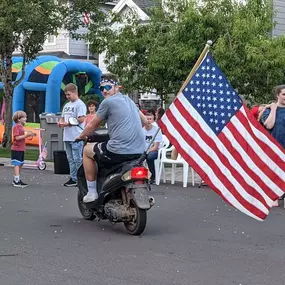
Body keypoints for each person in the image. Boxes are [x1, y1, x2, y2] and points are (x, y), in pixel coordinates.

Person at [75, 73, 147, 203]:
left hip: (119, 151)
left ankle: (92, 192)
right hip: (140, 150)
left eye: (108, 87)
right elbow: (144, 121)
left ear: (117, 87)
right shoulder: (129, 100)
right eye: (101, 88)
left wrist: (81, 135)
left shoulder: (107, 102)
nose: (104, 91)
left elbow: (92, 125)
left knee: (87, 151)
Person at [58, 83, 86, 187]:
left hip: (76, 136)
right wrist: (61, 122)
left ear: (75, 93)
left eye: (69, 94)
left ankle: (80, 179)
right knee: (70, 159)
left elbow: (81, 119)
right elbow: (62, 117)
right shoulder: (67, 105)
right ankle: (73, 178)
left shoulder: (80, 104)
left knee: (77, 158)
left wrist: (68, 123)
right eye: (66, 95)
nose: (67, 97)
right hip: (67, 135)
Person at [11, 111, 35, 187]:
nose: (26, 118)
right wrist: (26, 135)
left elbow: (23, 135)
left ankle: (16, 178)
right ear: (18, 119)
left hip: (21, 148)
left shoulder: (21, 127)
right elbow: (16, 137)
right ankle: (16, 180)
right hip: (16, 149)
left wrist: (30, 134)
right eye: (24, 117)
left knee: (20, 164)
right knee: (17, 164)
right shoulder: (16, 127)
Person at [143, 112, 162, 184]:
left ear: (153, 120)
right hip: (142, 150)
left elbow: (156, 146)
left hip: (153, 150)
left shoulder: (157, 130)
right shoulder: (140, 129)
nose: (148, 120)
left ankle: (152, 176)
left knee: (149, 157)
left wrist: (146, 151)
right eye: (146, 119)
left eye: (150, 119)